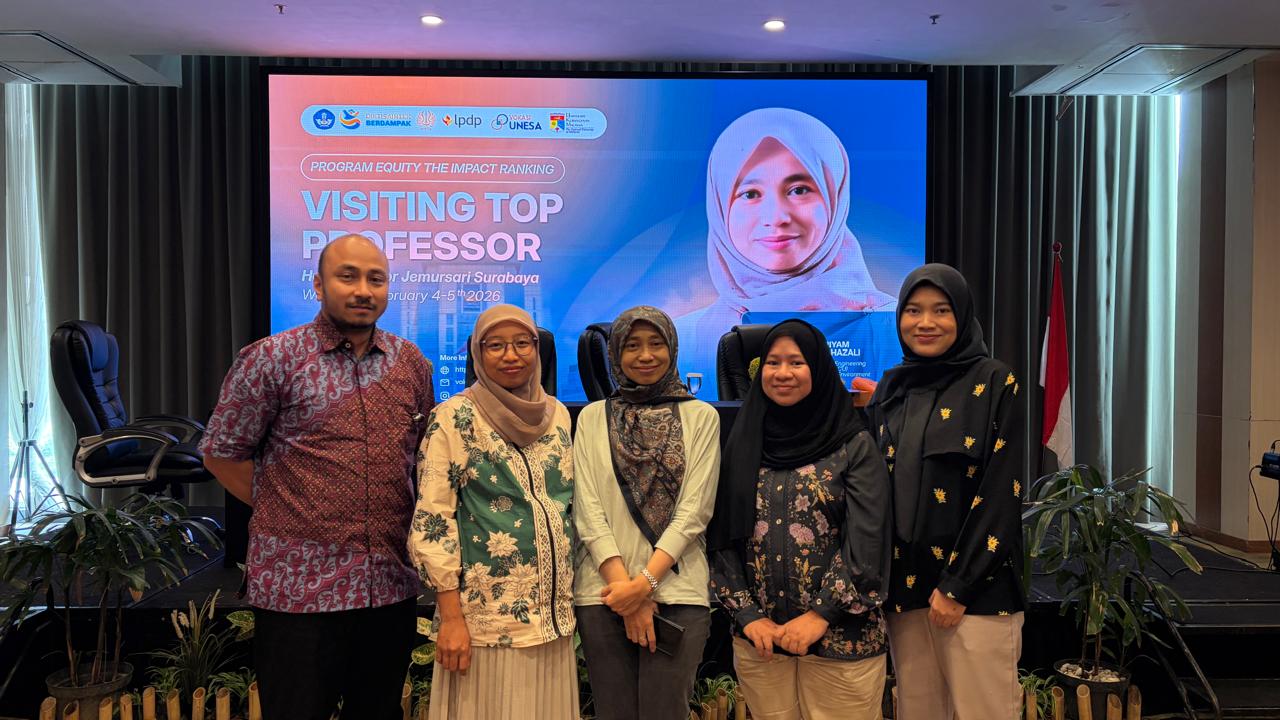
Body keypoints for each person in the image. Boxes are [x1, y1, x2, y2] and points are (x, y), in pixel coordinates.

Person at [201, 233, 435, 720]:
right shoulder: (271, 358)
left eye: (376, 279)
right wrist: (287, 508)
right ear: (319, 284)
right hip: (299, 591)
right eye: (347, 276)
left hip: (388, 586)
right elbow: (222, 454)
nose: (363, 290)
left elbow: (419, 456)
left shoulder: (410, 363)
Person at [708, 319, 892, 720]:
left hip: (842, 640)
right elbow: (720, 536)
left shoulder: (854, 444)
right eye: (773, 362)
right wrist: (747, 615)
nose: (783, 373)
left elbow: (869, 539)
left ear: (819, 368)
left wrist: (821, 615)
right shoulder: (743, 440)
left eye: (796, 362)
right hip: (761, 642)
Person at [865, 263, 1026, 720]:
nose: (925, 322)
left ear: (962, 315)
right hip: (905, 588)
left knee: (985, 712)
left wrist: (958, 586)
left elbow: (1002, 492)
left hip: (977, 593)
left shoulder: (994, 382)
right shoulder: (889, 391)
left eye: (941, 310)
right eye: (913, 310)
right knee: (918, 710)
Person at [409, 304, 577, 720]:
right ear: (478, 354)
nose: (511, 355)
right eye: (496, 346)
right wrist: (450, 618)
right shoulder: (453, 418)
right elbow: (433, 520)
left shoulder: (558, 415)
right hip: (483, 622)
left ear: (537, 349)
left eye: (522, 343)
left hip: (553, 620)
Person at [677, 108, 898, 395]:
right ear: (719, 207)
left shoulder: (894, 328)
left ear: (835, 195)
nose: (776, 217)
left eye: (799, 189)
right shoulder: (680, 341)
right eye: (750, 194)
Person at [572, 306, 721, 720]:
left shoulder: (701, 417)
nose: (645, 355)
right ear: (615, 353)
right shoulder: (591, 418)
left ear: (672, 348)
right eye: (632, 346)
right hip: (604, 592)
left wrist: (645, 585)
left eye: (656, 343)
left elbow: (694, 510)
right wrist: (627, 592)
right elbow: (587, 510)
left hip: (678, 591)